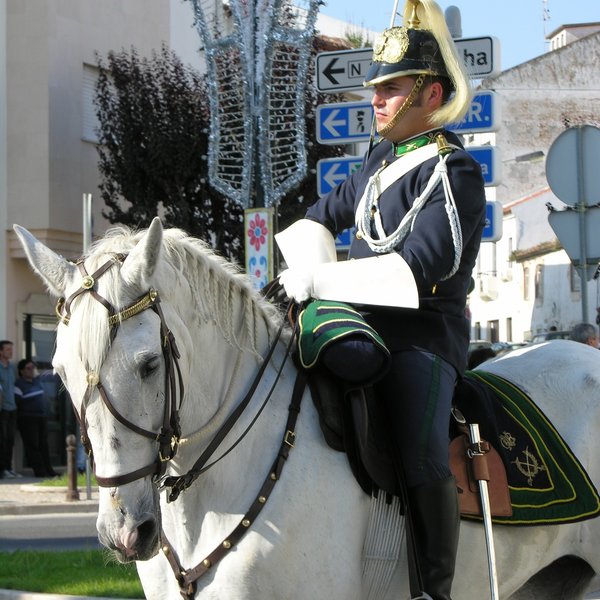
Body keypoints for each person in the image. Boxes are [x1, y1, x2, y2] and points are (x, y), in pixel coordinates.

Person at [276, 2, 486, 598]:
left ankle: (432, 587)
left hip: (423, 336)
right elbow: (319, 219)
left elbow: (423, 268)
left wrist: (322, 283)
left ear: (431, 94)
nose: (376, 99)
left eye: (391, 88)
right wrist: (304, 282)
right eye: (375, 89)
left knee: (421, 453)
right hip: (358, 323)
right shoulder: (376, 161)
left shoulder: (454, 170)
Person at [14, 359, 59, 478]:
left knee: (44, 445)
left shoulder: (37, 382)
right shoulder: (19, 384)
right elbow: (16, 403)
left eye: (32, 368)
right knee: (33, 446)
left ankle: (49, 471)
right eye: (28, 368)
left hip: (41, 417)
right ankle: (40, 472)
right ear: (21, 371)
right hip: (27, 418)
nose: (31, 371)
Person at [0, 340, 21, 478]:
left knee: (10, 440)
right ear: (0, 352)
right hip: (2, 409)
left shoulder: (12, 367)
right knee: (2, 440)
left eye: (11, 349)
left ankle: (8, 467)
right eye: (8, 349)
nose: (11, 352)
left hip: (12, 407)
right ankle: (2, 470)